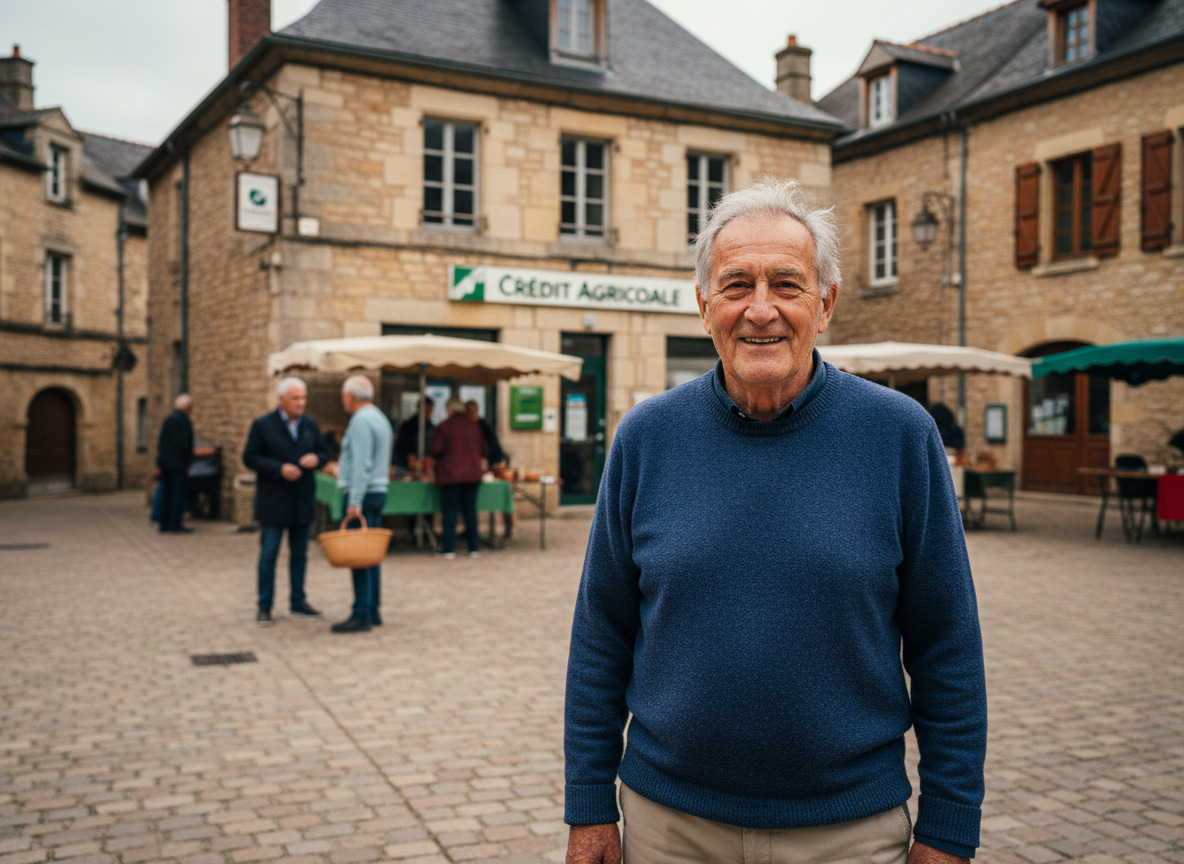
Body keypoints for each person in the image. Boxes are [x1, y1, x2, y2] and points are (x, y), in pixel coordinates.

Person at [563, 179, 987, 864]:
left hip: (848, 832)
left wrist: (948, 824)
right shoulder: (645, 438)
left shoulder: (900, 436)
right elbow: (600, 636)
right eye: (737, 286)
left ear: (827, 304)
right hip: (668, 827)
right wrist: (588, 806)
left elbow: (948, 645)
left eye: (787, 285)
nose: (761, 310)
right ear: (705, 308)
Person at [242, 377, 328, 626]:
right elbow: (250, 457)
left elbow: (323, 451)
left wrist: (317, 458)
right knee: (269, 554)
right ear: (282, 399)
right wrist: (278, 468)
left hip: (301, 500)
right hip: (274, 501)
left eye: (303, 398)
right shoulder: (263, 425)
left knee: (300, 554)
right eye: (296, 398)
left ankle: (298, 601)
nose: (301, 403)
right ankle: (265, 605)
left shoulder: (310, 425)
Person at [332, 375, 393, 633]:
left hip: (364, 494)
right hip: (378, 490)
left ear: (350, 397)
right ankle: (373, 608)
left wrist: (354, 501)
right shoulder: (379, 417)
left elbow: (361, 465)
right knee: (371, 554)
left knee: (358, 555)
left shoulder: (360, 421)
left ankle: (362, 613)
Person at [430, 397, 487, 559]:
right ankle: (473, 547)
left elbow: (436, 449)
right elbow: (484, 449)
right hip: (472, 476)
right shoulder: (474, 427)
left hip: (451, 475)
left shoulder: (444, 427)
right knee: (470, 511)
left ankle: (449, 549)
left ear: (450, 411)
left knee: (450, 511)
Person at [465, 399, 512, 539]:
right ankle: (470, 530)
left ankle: (508, 527)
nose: (470, 414)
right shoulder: (472, 425)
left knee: (502, 496)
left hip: (492, 463)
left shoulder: (482, 425)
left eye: (472, 411)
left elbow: (489, 447)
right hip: (478, 466)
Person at [155, 393, 195, 533]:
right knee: (178, 495)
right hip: (178, 464)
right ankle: (175, 524)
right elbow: (184, 444)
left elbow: (162, 442)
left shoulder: (168, 420)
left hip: (166, 463)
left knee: (167, 493)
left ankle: (164, 523)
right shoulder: (184, 422)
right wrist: (187, 461)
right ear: (187, 407)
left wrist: (159, 463)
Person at [394, 396, 435, 473]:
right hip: (406, 467)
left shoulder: (431, 427)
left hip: (426, 466)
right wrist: (409, 457)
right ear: (419, 409)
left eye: (430, 410)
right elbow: (401, 446)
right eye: (426, 410)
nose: (428, 413)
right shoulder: (408, 426)